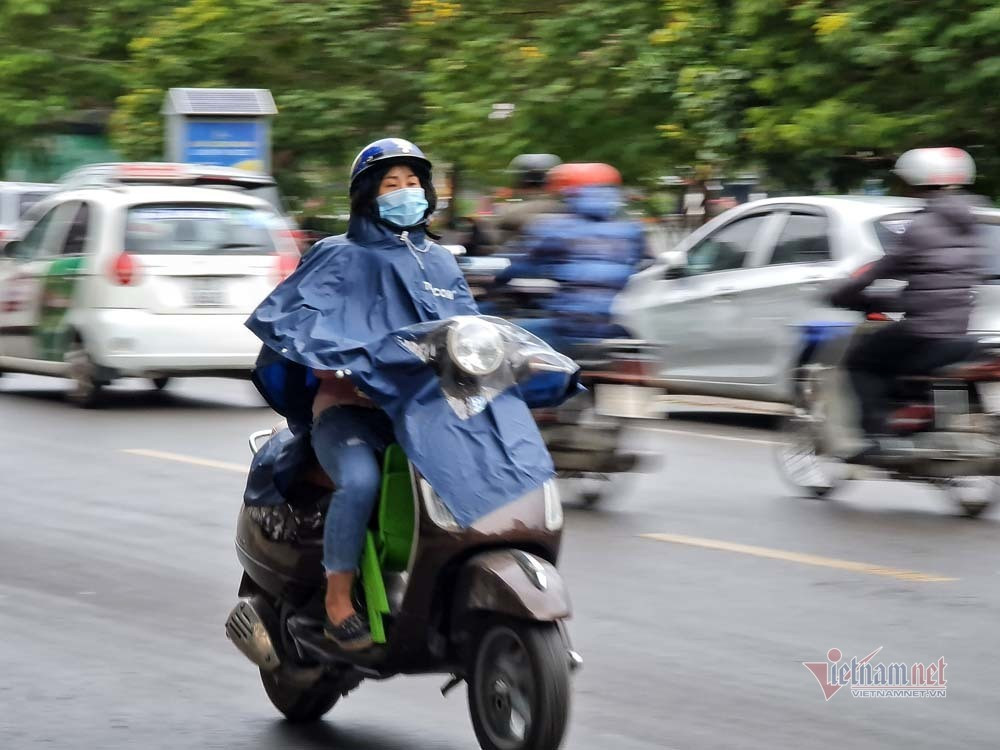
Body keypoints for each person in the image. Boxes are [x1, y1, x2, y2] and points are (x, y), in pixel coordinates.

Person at [245, 138, 478, 650]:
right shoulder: (337, 256)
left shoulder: (441, 262)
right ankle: (338, 604)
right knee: (360, 482)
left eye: (412, 182)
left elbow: (470, 331)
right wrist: (345, 366)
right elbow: (298, 328)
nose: (405, 191)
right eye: (391, 184)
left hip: (424, 415)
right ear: (368, 195)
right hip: (350, 413)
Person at [829, 147, 987, 458]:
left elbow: (882, 270)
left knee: (860, 362)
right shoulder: (974, 223)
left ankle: (879, 439)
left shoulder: (922, 226)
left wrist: (844, 295)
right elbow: (944, 280)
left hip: (923, 331)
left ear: (916, 180)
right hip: (960, 330)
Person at [491, 162, 646, 354]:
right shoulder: (631, 230)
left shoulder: (555, 227)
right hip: (616, 325)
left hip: (571, 325)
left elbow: (522, 265)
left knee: (502, 336)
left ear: (570, 194)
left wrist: (496, 281)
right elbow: (643, 263)